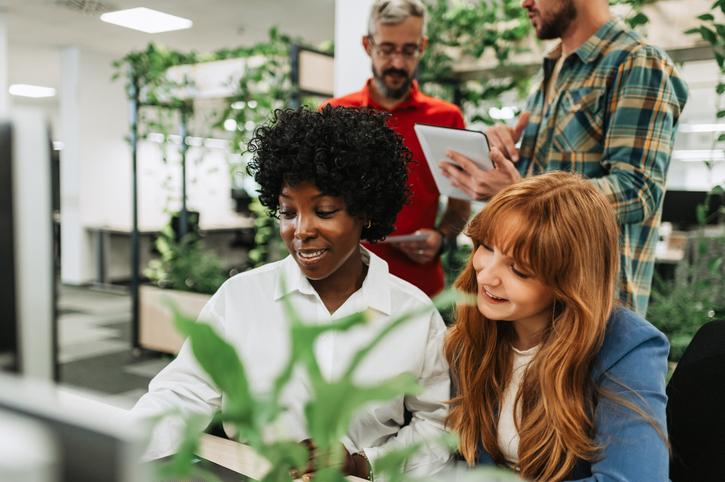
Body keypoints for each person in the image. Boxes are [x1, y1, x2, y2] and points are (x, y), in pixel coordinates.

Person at [132, 106, 451, 479]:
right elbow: (182, 394)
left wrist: (362, 462)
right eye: (288, 212)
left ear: (366, 212)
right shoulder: (240, 297)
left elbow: (437, 427)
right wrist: (121, 447)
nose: (301, 230)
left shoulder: (413, 313)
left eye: (325, 211)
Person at [440, 0, 689, 315]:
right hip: (532, 305)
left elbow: (638, 191)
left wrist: (518, 191)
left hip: (590, 310)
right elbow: (535, 181)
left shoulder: (636, 63)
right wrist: (498, 155)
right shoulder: (552, 70)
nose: (524, 3)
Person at [444, 172, 670, 480]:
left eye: (519, 270)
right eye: (486, 247)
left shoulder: (628, 346)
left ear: (570, 282)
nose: (485, 276)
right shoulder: (475, 331)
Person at [326, 0, 470, 298]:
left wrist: (441, 239)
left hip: (418, 287)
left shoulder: (446, 119)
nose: (397, 64)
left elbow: (459, 205)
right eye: (387, 49)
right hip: (345, 283)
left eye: (408, 51)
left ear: (423, 46)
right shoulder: (335, 114)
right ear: (368, 45)